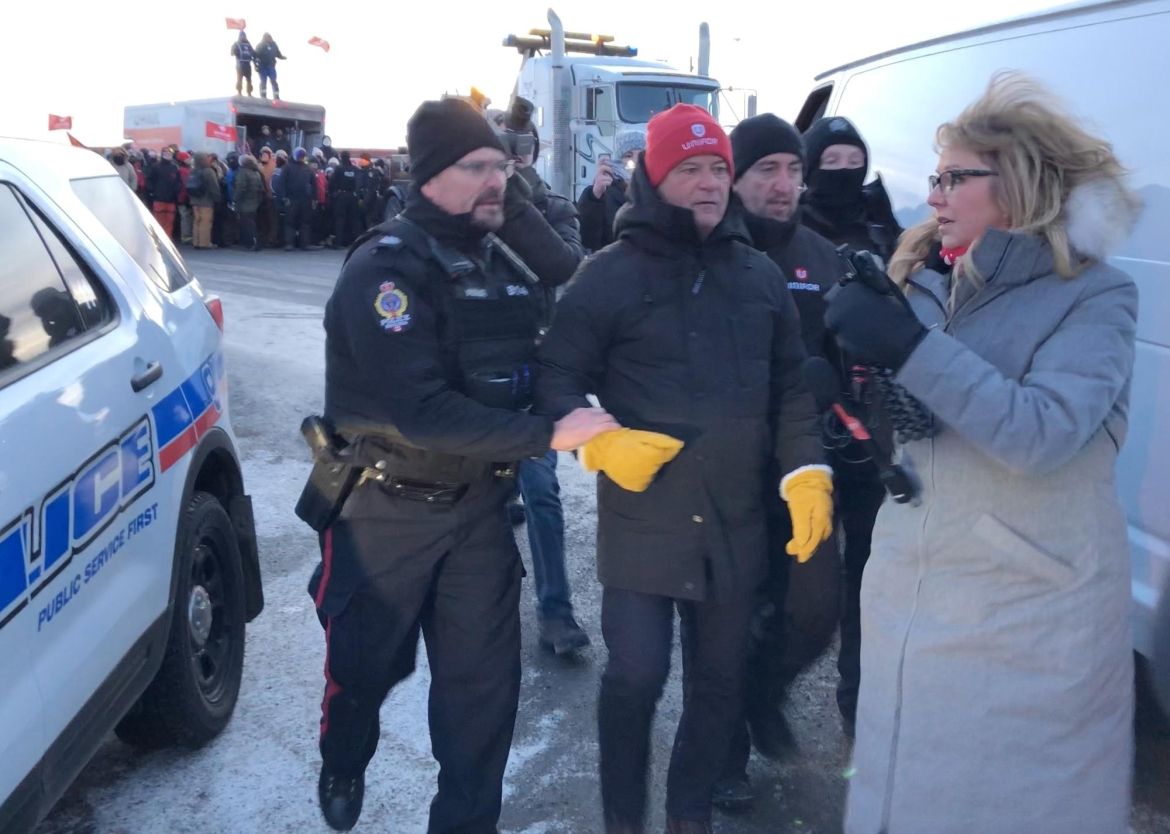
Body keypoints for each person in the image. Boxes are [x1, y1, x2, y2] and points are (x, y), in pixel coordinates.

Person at [825, 73, 1140, 834]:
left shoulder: (1094, 296)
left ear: (1021, 182)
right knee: (903, 795)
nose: (932, 196)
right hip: (914, 603)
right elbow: (939, 425)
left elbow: (1041, 432)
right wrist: (857, 415)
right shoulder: (932, 279)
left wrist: (907, 344)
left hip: (1025, 620)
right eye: (933, 178)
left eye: (952, 178)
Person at [307, 97, 618, 832]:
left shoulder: (500, 256)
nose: (498, 182)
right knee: (364, 673)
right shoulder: (385, 271)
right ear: (429, 178)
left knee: (481, 704)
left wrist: (505, 210)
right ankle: (344, 756)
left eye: (503, 169)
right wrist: (549, 434)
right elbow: (422, 414)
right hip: (380, 514)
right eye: (478, 168)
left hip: (477, 512)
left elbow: (565, 274)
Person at [535, 103, 833, 834]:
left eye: (718, 169)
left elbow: (792, 386)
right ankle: (623, 820)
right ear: (655, 177)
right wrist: (596, 439)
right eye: (690, 168)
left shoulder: (758, 277)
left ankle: (688, 815)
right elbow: (553, 378)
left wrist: (805, 470)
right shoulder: (606, 277)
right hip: (646, 523)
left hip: (737, 523)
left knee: (719, 683)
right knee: (635, 676)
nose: (707, 183)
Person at [708, 113, 853, 810]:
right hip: (724, 474)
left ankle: (765, 692)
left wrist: (838, 381)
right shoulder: (705, 252)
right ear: (734, 179)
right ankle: (726, 753)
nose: (784, 183)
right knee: (728, 617)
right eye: (766, 169)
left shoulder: (822, 258)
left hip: (802, 471)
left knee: (814, 609)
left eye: (793, 169)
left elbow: (848, 356)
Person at [799, 115, 897, 734]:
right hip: (803, 429)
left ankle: (857, 703)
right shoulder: (788, 230)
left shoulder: (886, 225)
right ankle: (756, 700)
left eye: (851, 160)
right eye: (828, 161)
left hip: (875, 429)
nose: (842, 172)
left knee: (868, 574)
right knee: (797, 578)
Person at [496, 96, 590, 653]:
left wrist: (517, 198)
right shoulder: (472, 210)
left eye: (517, 157)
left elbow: (565, 264)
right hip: (480, 374)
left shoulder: (553, 208)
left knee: (542, 491)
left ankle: (556, 612)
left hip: (533, 369)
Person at [576, 129, 646, 252]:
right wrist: (595, 195)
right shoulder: (604, 192)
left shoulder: (657, 191)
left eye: (642, 155)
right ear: (618, 160)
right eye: (628, 156)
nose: (635, 162)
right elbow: (587, 239)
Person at [282, 148, 319, 250]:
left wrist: (314, 199)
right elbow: (282, 183)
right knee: (290, 222)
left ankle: (304, 244)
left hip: (305, 201)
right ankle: (289, 243)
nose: (301, 157)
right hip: (291, 199)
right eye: (299, 155)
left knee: (305, 222)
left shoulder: (308, 169)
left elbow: (314, 185)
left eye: (302, 155)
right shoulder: (287, 167)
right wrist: (285, 197)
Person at [146, 149, 182, 241]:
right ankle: (159, 239)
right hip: (159, 198)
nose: (168, 155)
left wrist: (176, 190)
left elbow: (178, 181)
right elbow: (149, 180)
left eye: (169, 154)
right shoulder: (156, 167)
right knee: (159, 221)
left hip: (170, 198)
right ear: (162, 155)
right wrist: (152, 192)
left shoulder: (174, 167)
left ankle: (167, 239)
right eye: (166, 154)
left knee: (169, 221)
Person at [188, 153, 222, 249]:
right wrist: (217, 199)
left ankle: (196, 242)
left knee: (196, 221)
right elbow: (214, 187)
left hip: (194, 201)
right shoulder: (208, 171)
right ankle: (204, 243)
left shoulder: (193, 171)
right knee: (205, 222)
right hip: (206, 201)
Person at [329, 151, 361, 248]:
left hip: (341, 196)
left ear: (341, 157)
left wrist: (333, 193)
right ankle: (354, 242)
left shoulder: (339, 169)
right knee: (353, 220)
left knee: (340, 219)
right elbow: (359, 183)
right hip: (353, 197)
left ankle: (339, 242)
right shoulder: (355, 169)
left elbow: (332, 182)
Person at [234, 154, 264, 250]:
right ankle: (255, 241)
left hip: (244, 203)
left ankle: (250, 243)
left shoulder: (243, 172)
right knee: (252, 223)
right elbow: (261, 189)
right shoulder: (256, 173)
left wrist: (235, 199)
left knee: (246, 224)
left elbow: (240, 188)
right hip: (254, 203)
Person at [255, 33, 286, 100]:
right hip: (262, 67)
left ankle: (276, 96)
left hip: (271, 66)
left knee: (273, 81)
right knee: (263, 82)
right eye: (267, 37)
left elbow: (277, 53)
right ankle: (263, 96)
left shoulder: (274, 45)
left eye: (270, 37)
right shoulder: (260, 45)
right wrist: (256, 65)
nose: (269, 38)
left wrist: (281, 57)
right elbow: (255, 56)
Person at [231, 31, 255, 96]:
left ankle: (249, 93)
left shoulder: (248, 44)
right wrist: (235, 51)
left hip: (247, 64)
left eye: (244, 36)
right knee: (239, 79)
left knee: (249, 79)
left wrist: (256, 57)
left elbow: (253, 53)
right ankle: (239, 92)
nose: (243, 37)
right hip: (240, 64)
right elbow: (232, 53)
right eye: (241, 36)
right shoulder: (236, 44)